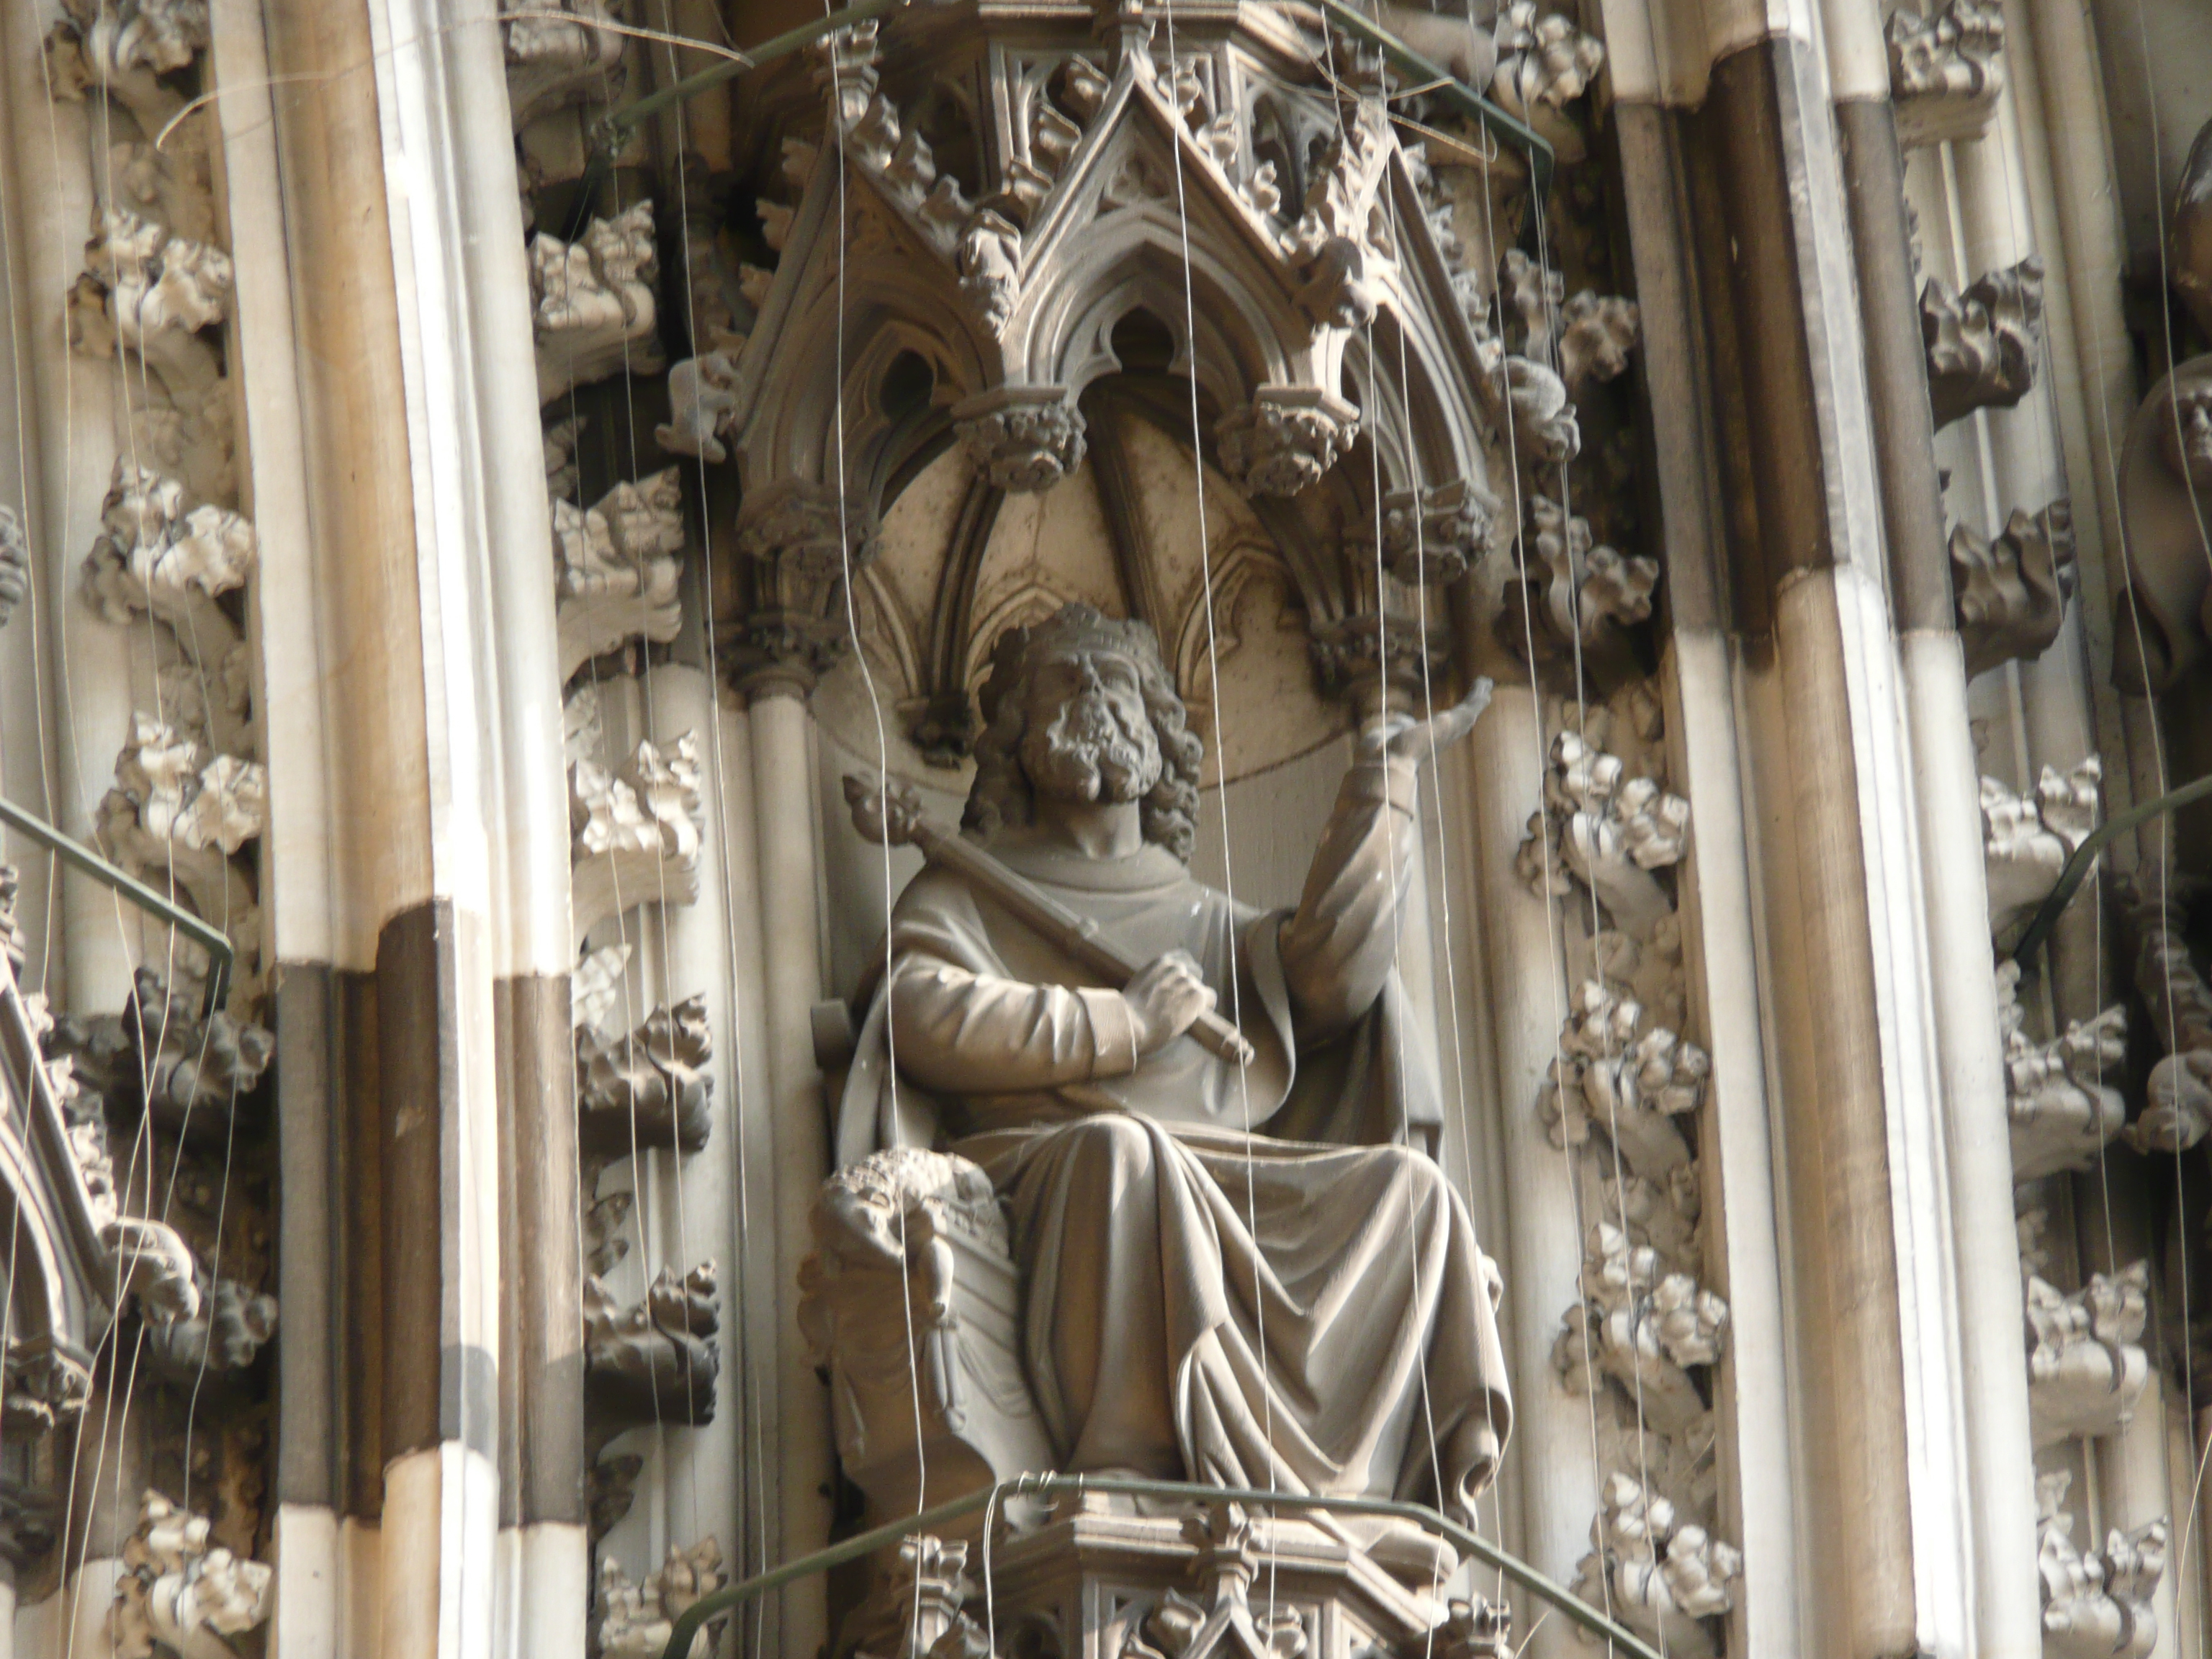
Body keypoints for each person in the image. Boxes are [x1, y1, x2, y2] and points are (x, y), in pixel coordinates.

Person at [834, 603, 1511, 1570]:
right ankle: (1132, 1474)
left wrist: (1384, 790)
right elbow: (921, 1016)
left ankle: (1365, 1512)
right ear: (1016, 739)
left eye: (1119, 686)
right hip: (1050, 1175)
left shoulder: (1201, 916)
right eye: (1065, 681)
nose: (1094, 698)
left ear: (1161, 733)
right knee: (1125, 1156)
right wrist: (1122, 1026)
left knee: (1415, 1199)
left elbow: (1333, 976)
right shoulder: (967, 890)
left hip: (1223, 1175)